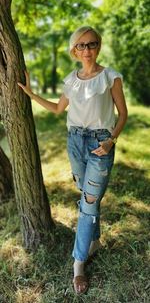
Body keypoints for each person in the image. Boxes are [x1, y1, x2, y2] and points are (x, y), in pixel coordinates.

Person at [18, 26, 128, 295]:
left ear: (98, 46)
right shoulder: (71, 80)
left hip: (100, 143)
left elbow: (122, 114)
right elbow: (57, 108)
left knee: (88, 203)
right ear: (74, 51)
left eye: (91, 44)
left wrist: (110, 140)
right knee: (88, 196)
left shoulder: (111, 77)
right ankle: (96, 241)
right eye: (81, 45)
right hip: (75, 142)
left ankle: (78, 264)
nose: (87, 49)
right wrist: (31, 94)